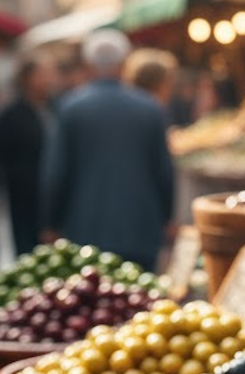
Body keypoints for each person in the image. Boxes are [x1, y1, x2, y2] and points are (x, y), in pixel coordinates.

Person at [41, 29, 175, 273]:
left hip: (84, 229)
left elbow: (56, 173)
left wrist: (52, 222)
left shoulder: (71, 108)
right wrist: (167, 217)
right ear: (124, 63)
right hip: (140, 228)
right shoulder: (150, 108)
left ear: (88, 65)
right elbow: (164, 172)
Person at [0, 58, 55, 258]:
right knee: (27, 249)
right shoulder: (10, 114)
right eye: (42, 75)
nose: (47, 80)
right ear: (27, 79)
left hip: (52, 194)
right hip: (23, 194)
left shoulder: (57, 107)